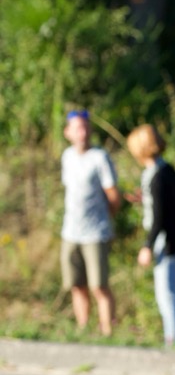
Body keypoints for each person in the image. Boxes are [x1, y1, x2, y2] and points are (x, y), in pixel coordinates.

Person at [126, 124, 175, 346]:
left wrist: (147, 246)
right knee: (173, 291)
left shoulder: (157, 177)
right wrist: (146, 199)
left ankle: (173, 339)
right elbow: (165, 204)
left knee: (167, 293)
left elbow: (159, 218)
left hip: (169, 244)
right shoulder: (167, 169)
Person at [60, 108, 121, 336]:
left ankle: (107, 332)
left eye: (86, 128)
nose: (83, 133)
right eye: (78, 128)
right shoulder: (67, 156)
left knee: (99, 286)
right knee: (77, 285)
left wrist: (106, 220)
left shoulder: (99, 157)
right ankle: (83, 331)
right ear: (68, 132)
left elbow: (114, 196)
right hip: (70, 232)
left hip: (95, 233)